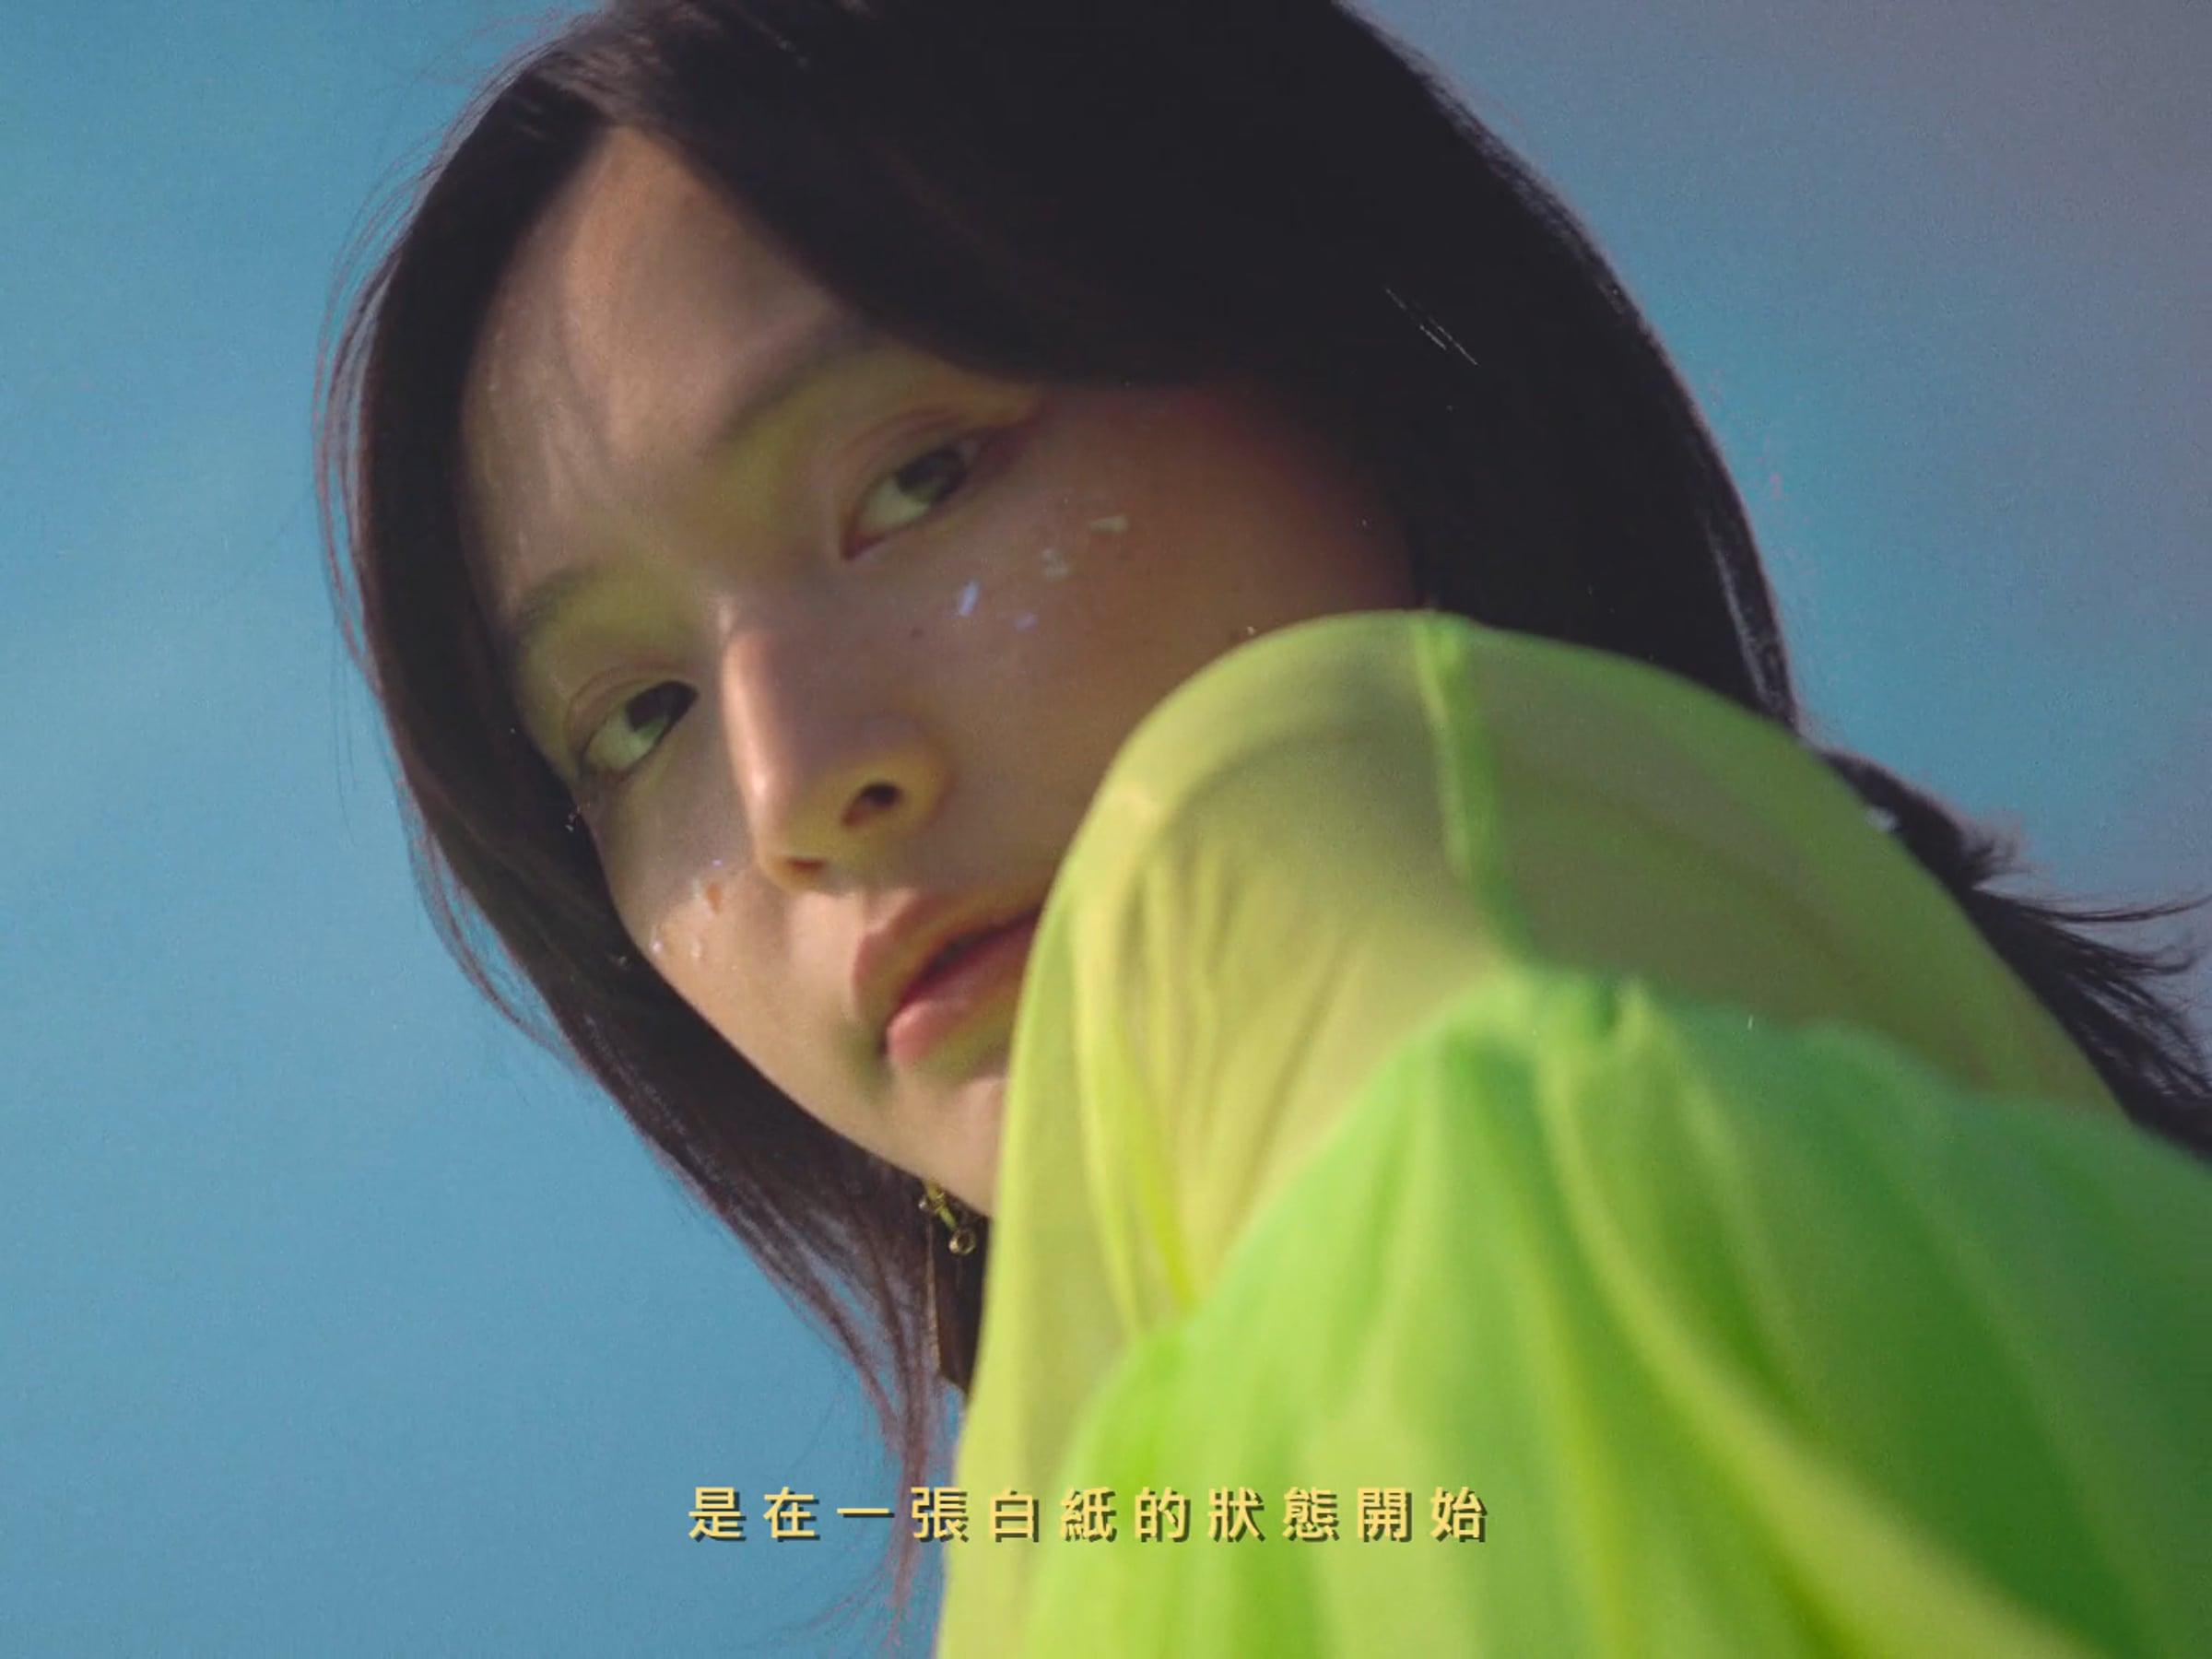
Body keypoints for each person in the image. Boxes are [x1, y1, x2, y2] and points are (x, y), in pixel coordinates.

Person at [316, 0, 2212, 1651]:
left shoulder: (1290, 860)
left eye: (918, 481)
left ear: (1365, 365)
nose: (791, 788)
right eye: (637, 720)